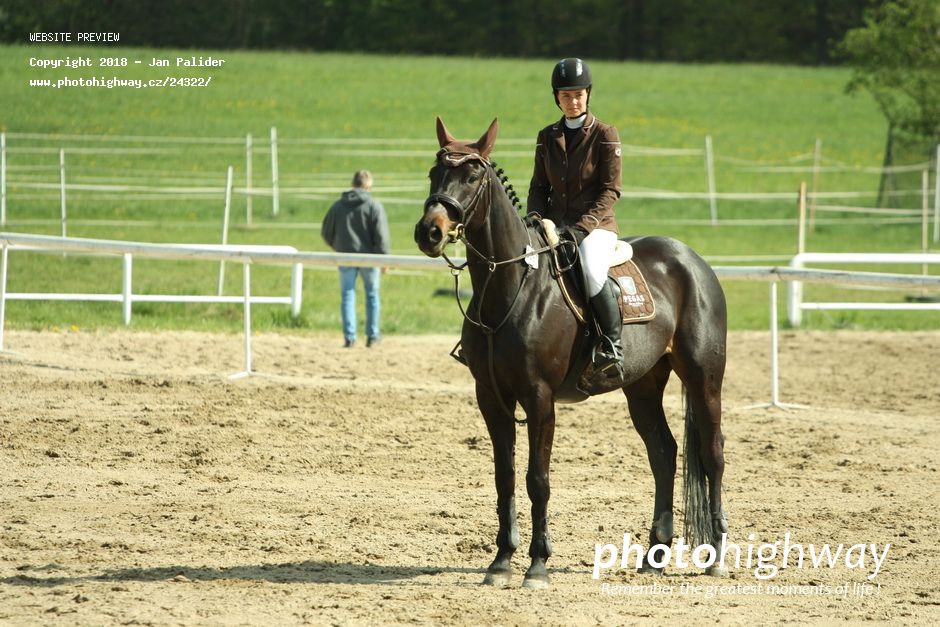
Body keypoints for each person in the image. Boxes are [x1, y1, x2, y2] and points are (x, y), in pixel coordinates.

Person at [526, 57, 624, 378]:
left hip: (596, 227)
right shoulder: (546, 136)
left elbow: (610, 190)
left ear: (588, 95)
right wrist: (535, 219)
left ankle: (612, 344)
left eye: (578, 95)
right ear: (556, 97)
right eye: (566, 96)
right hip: (554, 226)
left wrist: (582, 229)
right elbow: (539, 187)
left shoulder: (605, 134)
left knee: (591, 270)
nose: (573, 101)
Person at [322, 170, 391, 348]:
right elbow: (381, 236)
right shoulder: (374, 206)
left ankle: (349, 337)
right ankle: (372, 336)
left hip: (345, 256)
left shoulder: (338, 206)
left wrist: (337, 247)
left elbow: (326, 232)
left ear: (353, 184)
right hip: (370, 258)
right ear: (369, 186)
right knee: (372, 295)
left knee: (347, 295)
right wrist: (384, 259)